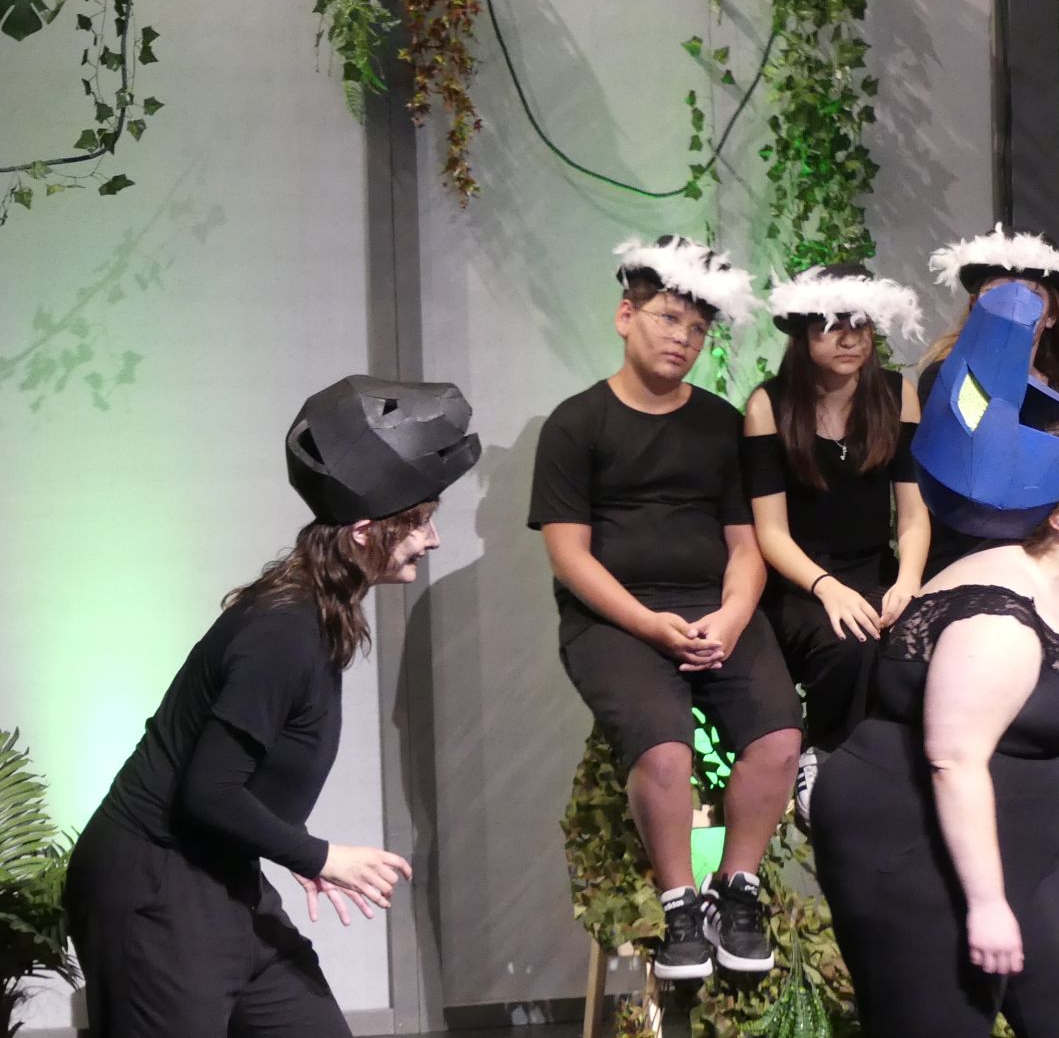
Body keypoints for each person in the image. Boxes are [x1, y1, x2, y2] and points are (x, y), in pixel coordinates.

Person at [62, 375, 480, 1036]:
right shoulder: (284, 629)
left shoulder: (319, 610)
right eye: (420, 521)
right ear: (365, 532)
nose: (432, 539)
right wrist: (319, 856)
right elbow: (208, 791)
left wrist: (284, 842)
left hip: (224, 877)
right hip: (155, 887)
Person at [812, 282, 1059, 1037]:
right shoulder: (997, 617)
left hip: (1031, 818)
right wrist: (986, 903)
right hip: (911, 838)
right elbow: (954, 761)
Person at [529, 236, 802, 982]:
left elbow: (747, 543)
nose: (682, 337)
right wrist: (648, 624)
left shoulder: (721, 423)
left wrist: (734, 616)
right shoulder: (575, 424)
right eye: (668, 319)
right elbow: (569, 556)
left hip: (716, 612)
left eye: (697, 328)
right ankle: (680, 905)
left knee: (780, 736)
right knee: (664, 749)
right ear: (626, 316)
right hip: (615, 622)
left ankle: (735, 891)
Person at [918, 224, 1059, 792]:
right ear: (976, 306)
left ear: (1051, 314)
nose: (1016, 309)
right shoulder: (951, 380)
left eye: (1031, 297)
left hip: (1058, 561)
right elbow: (989, 477)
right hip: (974, 558)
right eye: (1000, 295)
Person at [742, 263, 931, 818]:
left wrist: (909, 582)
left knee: (928, 636)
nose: (849, 338)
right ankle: (823, 752)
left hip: (875, 567)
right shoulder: (769, 405)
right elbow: (770, 532)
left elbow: (913, 513)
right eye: (831, 326)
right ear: (804, 334)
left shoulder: (897, 394)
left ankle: (901, 765)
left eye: (860, 325)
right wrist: (827, 587)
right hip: (799, 582)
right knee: (850, 639)